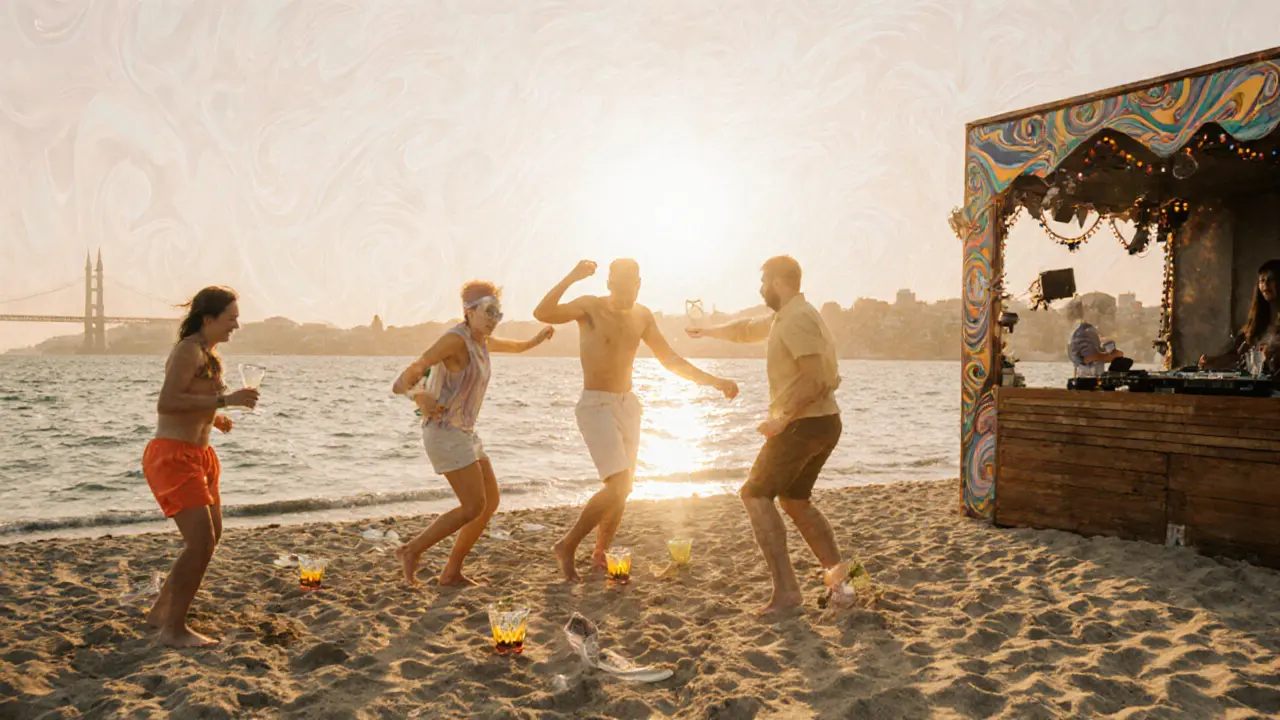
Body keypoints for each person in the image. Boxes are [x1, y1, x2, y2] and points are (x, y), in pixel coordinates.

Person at [534, 259, 739, 582]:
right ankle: (567, 545)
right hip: (595, 404)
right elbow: (542, 313)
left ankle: (601, 551)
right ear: (609, 284)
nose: (625, 292)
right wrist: (573, 276)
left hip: (628, 405)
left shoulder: (643, 315)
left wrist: (714, 381)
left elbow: (669, 358)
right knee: (619, 485)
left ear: (639, 284)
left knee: (623, 489)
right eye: (619, 285)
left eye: (631, 286)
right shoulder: (589, 307)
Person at [686, 256, 843, 614]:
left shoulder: (798, 319)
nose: (760, 289)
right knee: (795, 501)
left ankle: (787, 594)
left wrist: (782, 418)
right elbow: (746, 329)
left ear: (777, 282)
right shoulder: (788, 315)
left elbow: (816, 378)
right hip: (823, 422)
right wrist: (709, 330)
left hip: (803, 424)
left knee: (755, 495)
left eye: (763, 282)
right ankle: (843, 586)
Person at [392, 281, 554, 587]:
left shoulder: (482, 341)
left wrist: (539, 338)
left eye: (498, 313)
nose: (494, 319)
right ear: (469, 312)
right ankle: (411, 550)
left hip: (465, 434)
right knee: (473, 506)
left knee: (490, 501)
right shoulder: (454, 341)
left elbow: (518, 347)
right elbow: (402, 380)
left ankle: (451, 572)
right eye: (488, 311)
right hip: (444, 433)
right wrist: (418, 396)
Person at [143, 286, 259, 647]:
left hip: (201, 455)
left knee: (211, 538)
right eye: (231, 318)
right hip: (173, 456)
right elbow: (167, 403)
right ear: (208, 319)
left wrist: (216, 416)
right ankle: (173, 631)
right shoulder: (187, 350)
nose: (236, 326)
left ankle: (161, 613)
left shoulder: (210, 354)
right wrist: (225, 400)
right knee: (200, 544)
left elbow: (194, 399)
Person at [1200, 259, 1280, 374]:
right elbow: (1238, 356)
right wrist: (1214, 361)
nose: (1265, 285)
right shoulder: (1257, 323)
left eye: (1271, 279)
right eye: (1262, 280)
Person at [1066, 297, 1124, 378]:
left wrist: (1106, 348)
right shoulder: (1083, 331)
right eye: (1089, 307)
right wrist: (1112, 356)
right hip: (1088, 381)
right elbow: (1089, 357)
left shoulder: (1084, 330)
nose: (1095, 311)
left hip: (1089, 379)